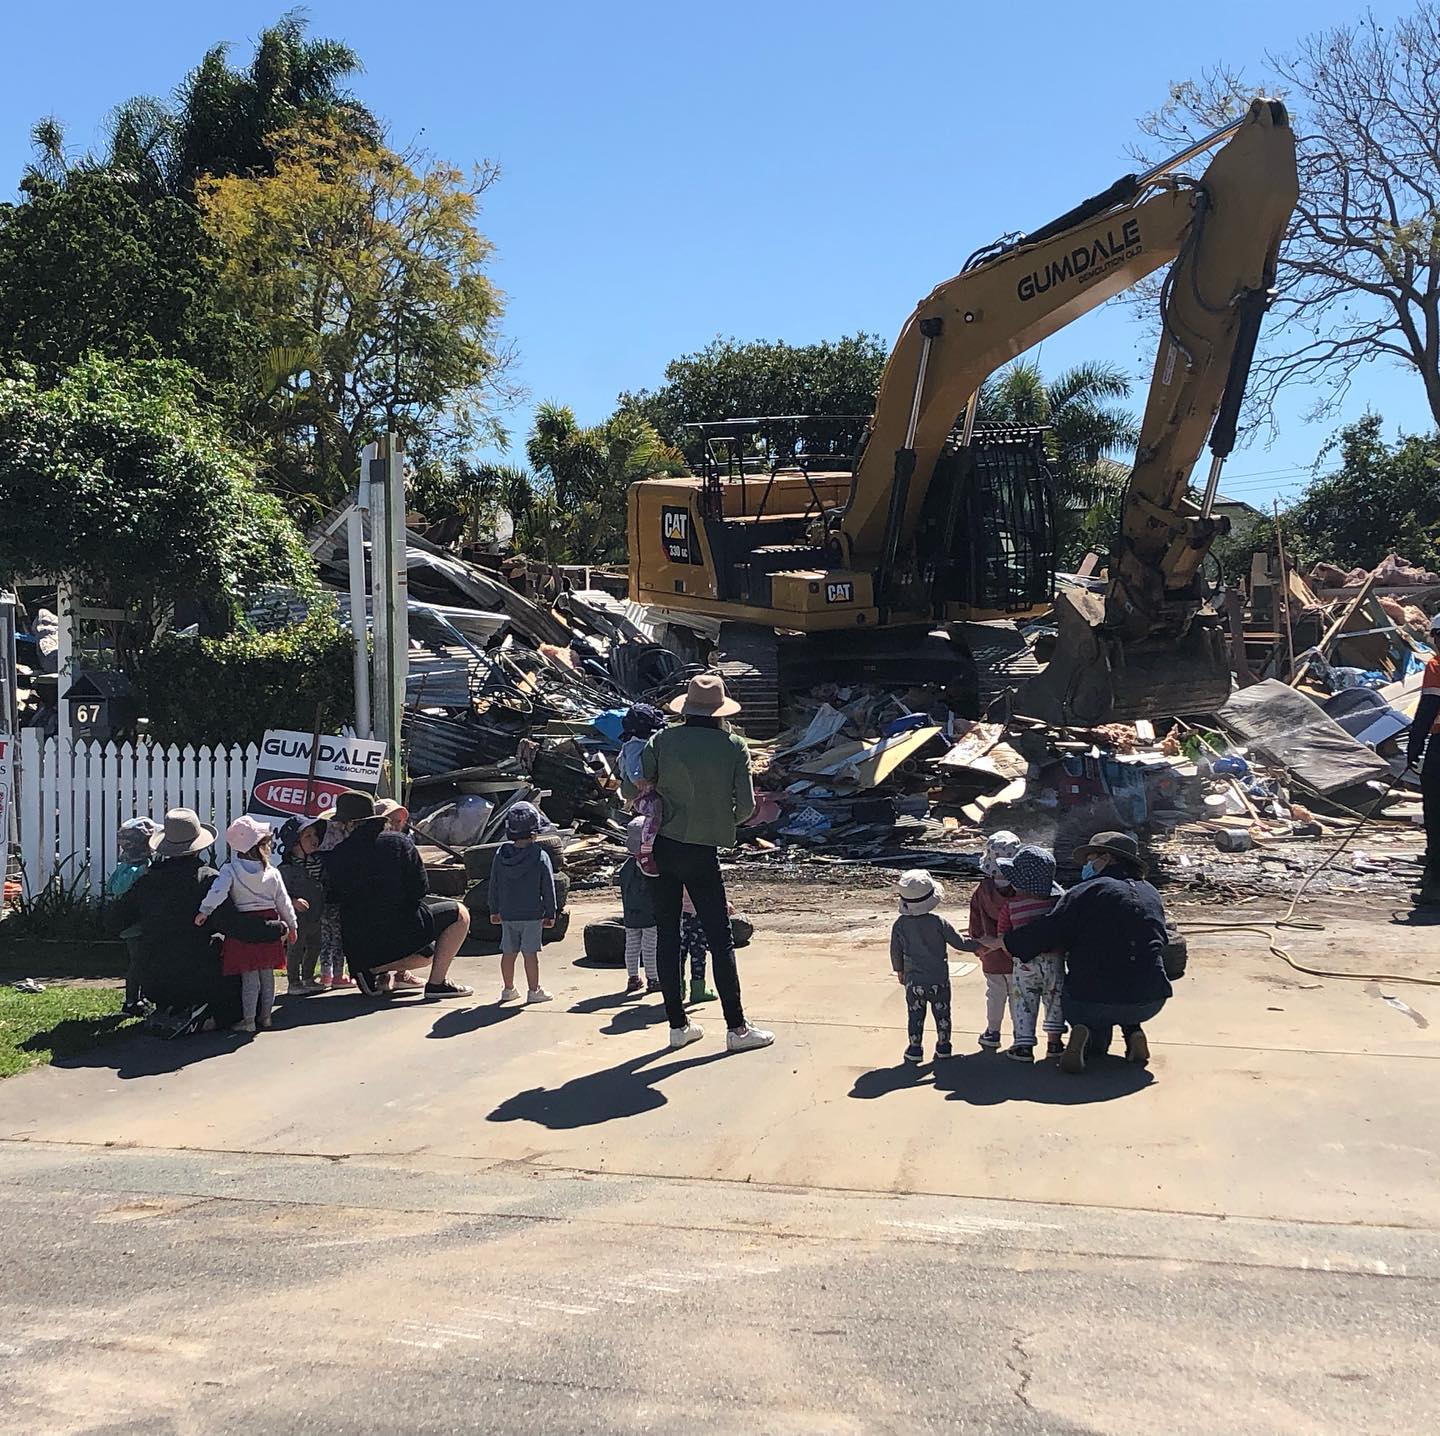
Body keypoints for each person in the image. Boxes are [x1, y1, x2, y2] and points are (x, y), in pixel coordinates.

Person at [641, 673, 773, 1053]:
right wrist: (720, 820)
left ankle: (677, 1025)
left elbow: (637, 783)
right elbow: (747, 807)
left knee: (668, 933)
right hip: (703, 852)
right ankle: (737, 1028)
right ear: (719, 712)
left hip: (663, 846)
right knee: (719, 938)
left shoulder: (662, 740)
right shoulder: (733, 746)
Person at [979, 831, 1172, 1074]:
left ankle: (1085, 1034)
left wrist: (1004, 942)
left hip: (1093, 1000)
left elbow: (1049, 929)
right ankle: (1133, 1030)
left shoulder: (1085, 892)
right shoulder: (1151, 893)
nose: (1088, 866)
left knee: (1086, 1002)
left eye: (1092, 859)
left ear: (1107, 859)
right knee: (1128, 975)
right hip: (1151, 998)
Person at [107, 809, 281, 1035]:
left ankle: (169, 1009)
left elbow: (114, 921)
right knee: (245, 991)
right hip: (197, 974)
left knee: (167, 962)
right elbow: (232, 925)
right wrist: (276, 928)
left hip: (154, 976)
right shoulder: (207, 879)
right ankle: (205, 1016)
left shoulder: (147, 881)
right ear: (200, 844)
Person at [324, 791, 473, 998]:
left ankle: (370, 970)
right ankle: (436, 983)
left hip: (359, 944)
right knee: (459, 913)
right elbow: (420, 889)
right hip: (402, 928)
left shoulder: (337, 855)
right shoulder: (399, 843)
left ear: (347, 823)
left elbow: (333, 895)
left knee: (379, 931)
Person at [197, 816, 298, 1034]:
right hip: (269, 923)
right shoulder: (272, 872)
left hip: (245, 925)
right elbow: (284, 901)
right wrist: (292, 925)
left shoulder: (230, 869)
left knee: (249, 976)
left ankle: (248, 1020)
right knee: (267, 974)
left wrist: (205, 910)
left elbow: (218, 891)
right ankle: (267, 1016)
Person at [994, 845, 1066, 1063]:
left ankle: (1024, 1044)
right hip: (1055, 960)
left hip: (1024, 963)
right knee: (1055, 998)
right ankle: (1055, 1042)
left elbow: (1003, 934)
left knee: (1023, 1000)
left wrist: (1011, 954)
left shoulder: (1011, 906)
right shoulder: (1057, 902)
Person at [890, 871, 968, 1064]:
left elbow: (895, 950)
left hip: (914, 980)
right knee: (942, 1012)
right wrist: (981, 945)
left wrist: (899, 970)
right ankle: (944, 1045)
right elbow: (959, 943)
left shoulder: (900, 925)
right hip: (938, 978)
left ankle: (915, 1047)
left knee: (915, 1014)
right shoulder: (938, 923)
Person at [488, 801, 557, 1004]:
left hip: (508, 913)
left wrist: (494, 909)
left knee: (508, 953)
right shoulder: (540, 855)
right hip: (532, 914)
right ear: (534, 832)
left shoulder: (500, 856)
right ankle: (534, 990)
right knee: (530, 954)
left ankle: (508, 989)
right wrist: (551, 912)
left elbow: (494, 884)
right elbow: (548, 887)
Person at [969, 831, 1021, 1051]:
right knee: (1018, 998)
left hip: (990, 956)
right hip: (1018, 954)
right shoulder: (1021, 890)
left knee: (994, 994)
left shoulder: (982, 891)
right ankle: (1021, 1036)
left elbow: (974, 926)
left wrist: (978, 947)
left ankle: (993, 1032)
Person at [105, 817, 160, 1016]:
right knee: (138, 963)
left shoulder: (126, 866)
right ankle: (131, 1001)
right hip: (134, 923)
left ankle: (144, 998)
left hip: (134, 922)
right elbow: (117, 888)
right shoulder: (137, 868)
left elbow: (110, 886)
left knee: (144, 961)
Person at [1405, 614, 1440, 906]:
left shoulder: (1436, 666)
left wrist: (1414, 746)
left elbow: (1428, 709)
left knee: (1437, 818)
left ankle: (1435, 887)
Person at [279, 816, 327, 995]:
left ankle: (308, 977)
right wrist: (292, 901)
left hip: (316, 913)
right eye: (307, 836)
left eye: (314, 835)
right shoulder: (287, 868)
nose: (314, 839)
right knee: (296, 947)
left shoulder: (319, 863)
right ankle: (294, 981)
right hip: (297, 917)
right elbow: (279, 892)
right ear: (294, 843)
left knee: (315, 946)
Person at [620, 704, 667, 877]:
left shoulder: (651, 741)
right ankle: (646, 850)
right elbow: (632, 767)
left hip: (648, 788)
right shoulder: (634, 744)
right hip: (640, 790)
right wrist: (639, 780)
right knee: (655, 811)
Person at [315, 806, 359, 989]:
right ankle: (339, 975)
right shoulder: (341, 850)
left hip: (321, 899)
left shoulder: (319, 852)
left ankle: (326, 973)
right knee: (338, 937)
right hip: (337, 898)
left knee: (326, 937)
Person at [615, 826, 660, 997]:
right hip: (649, 913)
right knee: (650, 947)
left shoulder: (626, 866)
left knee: (632, 946)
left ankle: (633, 977)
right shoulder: (649, 865)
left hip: (630, 913)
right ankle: (653, 978)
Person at [678, 889, 719, 1005]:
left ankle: (678, 989)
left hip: (679, 915)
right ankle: (698, 989)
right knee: (698, 954)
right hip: (698, 914)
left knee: (679, 954)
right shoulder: (697, 873)